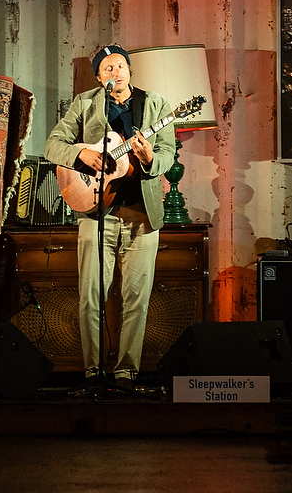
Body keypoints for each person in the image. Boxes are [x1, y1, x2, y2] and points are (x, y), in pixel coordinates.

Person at [44, 44, 176, 392]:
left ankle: (126, 374)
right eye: (107, 68)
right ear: (99, 78)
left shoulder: (156, 105)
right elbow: (52, 145)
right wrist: (81, 152)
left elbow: (167, 154)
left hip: (142, 216)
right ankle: (92, 372)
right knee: (91, 295)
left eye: (120, 66)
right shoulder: (85, 104)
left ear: (129, 71)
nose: (115, 72)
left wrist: (149, 160)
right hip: (95, 212)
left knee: (136, 298)